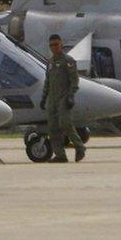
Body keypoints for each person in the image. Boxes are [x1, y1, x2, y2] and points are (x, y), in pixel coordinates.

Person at [41, 34, 85, 163]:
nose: (53, 47)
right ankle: (60, 155)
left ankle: (79, 147)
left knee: (65, 124)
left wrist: (71, 95)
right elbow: (47, 81)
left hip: (64, 97)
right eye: (51, 45)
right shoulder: (50, 62)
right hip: (52, 98)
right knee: (53, 128)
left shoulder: (68, 61)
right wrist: (44, 98)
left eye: (56, 44)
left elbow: (74, 80)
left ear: (61, 44)